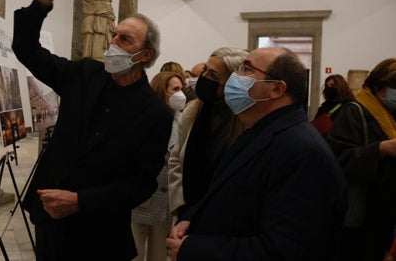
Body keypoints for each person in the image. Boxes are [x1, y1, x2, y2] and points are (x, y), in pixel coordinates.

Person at [12, 0, 173, 261]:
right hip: (49, 215)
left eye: (125, 40)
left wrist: (80, 201)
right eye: (114, 35)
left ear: (145, 55)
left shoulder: (156, 114)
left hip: (100, 231)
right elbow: (26, 49)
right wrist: (41, 3)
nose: (113, 44)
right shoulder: (84, 74)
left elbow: (141, 183)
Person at [166, 47, 347, 261]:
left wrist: (193, 249)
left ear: (277, 89)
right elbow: (233, 200)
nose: (234, 77)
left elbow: (285, 249)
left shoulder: (302, 152)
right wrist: (193, 219)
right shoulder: (259, 131)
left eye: (246, 69)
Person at [327, 57, 396, 261]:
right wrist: (380, 149)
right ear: (378, 87)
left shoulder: (390, 113)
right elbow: (336, 158)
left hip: (384, 213)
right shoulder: (354, 112)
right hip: (361, 215)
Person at [168, 47, 247, 220]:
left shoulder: (244, 121)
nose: (204, 78)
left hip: (223, 216)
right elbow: (176, 160)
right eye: (205, 70)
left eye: (213, 76)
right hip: (187, 209)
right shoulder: (192, 112)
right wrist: (181, 206)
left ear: (232, 83)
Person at [131, 71, 186, 261]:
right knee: (133, 253)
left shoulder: (182, 120)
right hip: (141, 198)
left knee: (159, 256)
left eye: (182, 88)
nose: (181, 94)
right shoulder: (144, 116)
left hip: (166, 204)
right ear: (162, 91)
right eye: (176, 89)